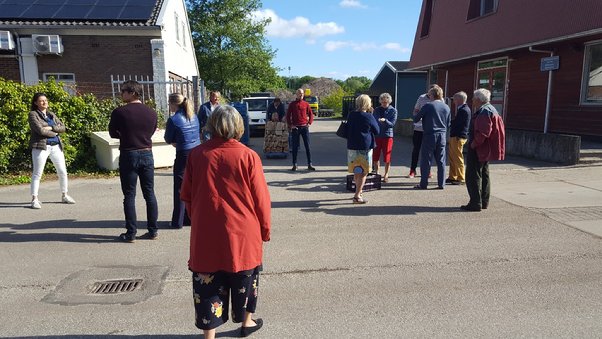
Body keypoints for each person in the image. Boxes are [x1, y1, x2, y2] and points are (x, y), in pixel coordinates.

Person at [180, 105, 271, 339]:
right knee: (245, 279)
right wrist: (264, 229)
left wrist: (199, 217)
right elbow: (261, 199)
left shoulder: (197, 155)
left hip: (206, 233)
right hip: (243, 232)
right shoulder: (248, 156)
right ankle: (246, 323)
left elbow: (186, 195)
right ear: (239, 127)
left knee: (207, 284)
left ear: (212, 125)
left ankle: (209, 335)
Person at [109, 80, 159, 243]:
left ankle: (131, 233)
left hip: (129, 153)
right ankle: (152, 230)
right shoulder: (151, 112)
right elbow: (151, 132)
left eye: (123, 91)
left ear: (132, 92)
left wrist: (125, 134)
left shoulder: (119, 112)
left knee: (129, 195)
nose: (121, 94)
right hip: (146, 153)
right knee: (149, 193)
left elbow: (113, 133)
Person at [28, 93, 76, 209]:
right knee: (37, 173)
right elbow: (39, 130)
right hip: (41, 147)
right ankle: (34, 199)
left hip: (56, 146)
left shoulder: (51, 115)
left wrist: (50, 127)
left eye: (45, 100)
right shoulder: (33, 114)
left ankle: (64, 195)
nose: (44, 102)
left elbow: (63, 128)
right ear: (36, 103)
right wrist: (54, 132)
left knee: (62, 172)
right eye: (41, 101)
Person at [461, 88, 506, 212]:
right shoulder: (491, 109)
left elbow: (484, 132)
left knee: (473, 175)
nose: (472, 100)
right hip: (487, 149)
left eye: (474, 98)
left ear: (479, 99)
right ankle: (483, 201)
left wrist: (473, 144)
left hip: (480, 148)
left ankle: (475, 202)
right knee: (484, 174)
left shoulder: (484, 112)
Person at [164, 93, 200, 229]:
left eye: (169, 103)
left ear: (174, 104)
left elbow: (168, 138)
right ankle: (190, 217)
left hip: (183, 153)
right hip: (196, 152)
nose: (169, 106)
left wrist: (175, 141)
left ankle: (177, 221)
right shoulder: (193, 116)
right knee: (193, 186)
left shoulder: (173, 120)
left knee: (179, 187)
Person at [413, 85, 450, 189]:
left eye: (429, 95)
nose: (429, 97)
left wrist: (417, 114)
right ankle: (441, 184)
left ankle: (423, 184)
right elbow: (448, 123)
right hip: (442, 135)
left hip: (430, 134)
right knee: (441, 160)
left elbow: (416, 118)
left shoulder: (428, 106)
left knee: (426, 160)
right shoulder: (446, 107)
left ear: (432, 95)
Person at [346, 94, 380, 204]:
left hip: (352, 146)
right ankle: (357, 195)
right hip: (364, 147)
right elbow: (377, 131)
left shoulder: (351, 115)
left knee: (357, 171)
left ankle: (358, 191)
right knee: (364, 172)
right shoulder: (369, 116)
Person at [409, 85, 436, 178]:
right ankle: (412, 170)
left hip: (430, 129)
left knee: (428, 151)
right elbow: (415, 112)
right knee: (416, 150)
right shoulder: (421, 98)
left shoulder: (439, 99)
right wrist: (421, 116)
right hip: (419, 128)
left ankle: (427, 170)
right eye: (431, 91)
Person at [286, 88, 316, 171]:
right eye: (300, 93)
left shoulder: (306, 104)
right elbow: (288, 116)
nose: (301, 95)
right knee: (295, 147)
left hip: (304, 127)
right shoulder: (292, 104)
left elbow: (311, 114)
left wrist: (309, 123)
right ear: (296, 94)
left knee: (307, 146)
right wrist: (290, 125)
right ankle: (294, 164)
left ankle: (310, 164)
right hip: (295, 128)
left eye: (302, 93)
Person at [446, 91, 471, 185]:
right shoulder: (462, 109)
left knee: (457, 157)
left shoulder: (464, 110)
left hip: (458, 136)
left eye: (454, 99)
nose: (453, 101)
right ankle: (453, 176)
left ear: (459, 99)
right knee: (452, 157)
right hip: (455, 136)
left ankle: (461, 177)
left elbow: (457, 123)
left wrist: (448, 122)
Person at [372, 92, 398, 183]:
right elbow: (374, 121)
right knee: (375, 156)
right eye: (382, 102)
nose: (384, 104)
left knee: (387, 156)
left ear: (389, 102)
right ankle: (377, 172)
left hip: (387, 136)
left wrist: (385, 121)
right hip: (377, 135)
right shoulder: (377, 110)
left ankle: (386, 174)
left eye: (386, 102)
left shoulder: (393, 110)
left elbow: (392, 124)